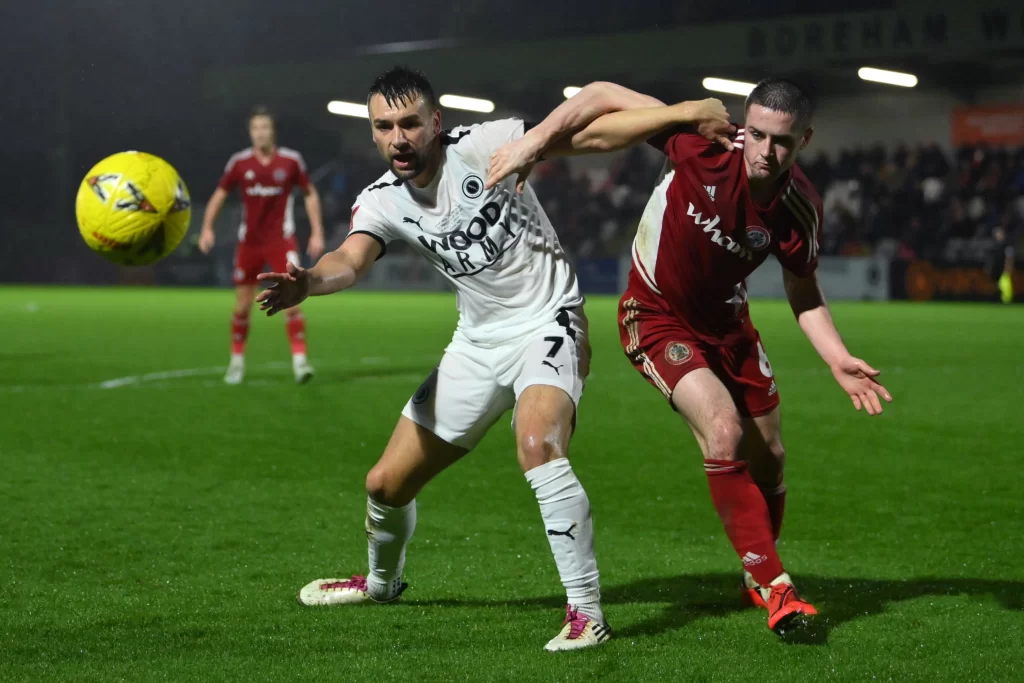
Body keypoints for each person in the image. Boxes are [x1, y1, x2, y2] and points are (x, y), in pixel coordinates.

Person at [256, 66, 728, 650]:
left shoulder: (484, 145)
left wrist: (680, 114)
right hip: (476, 346)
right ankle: (381, 584)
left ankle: (587, 614)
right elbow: (348, 260)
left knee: (537, 446)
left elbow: (595, 133)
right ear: (373, 135)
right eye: (384, 127)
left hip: (549, 323)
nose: (399, 137)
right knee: (383, 485)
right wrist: (310, 284)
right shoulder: (381, 200)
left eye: (409, 123)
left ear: (436, 121)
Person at [489, 78, 893, 632]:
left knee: (770, 454)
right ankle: (776, 587)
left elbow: (803, 291)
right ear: (743, 126)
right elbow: (603, 92)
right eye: (757, 134)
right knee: (723, 431)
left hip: (729, 325)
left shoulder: (799, 208)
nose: (765, 151)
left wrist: (837, 357)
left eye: (782, 141)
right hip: (653, 315)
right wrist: (535, 141)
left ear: (805, 140)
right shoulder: (702, 142)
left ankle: (757, 569)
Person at [199, 106, 325, 384]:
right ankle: (236, 362)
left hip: (282, 241)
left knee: (292, 299)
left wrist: (317, 231)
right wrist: (207, 228)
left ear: (273, 131)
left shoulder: (290, 161)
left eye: (265, 127)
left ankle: (300, 362)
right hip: (250, 243)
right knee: (242, 304)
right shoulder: (240, 163)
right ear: (250, 132)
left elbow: (310, 194)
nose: (260, 133)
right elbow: (219, 195)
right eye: (256, 128)